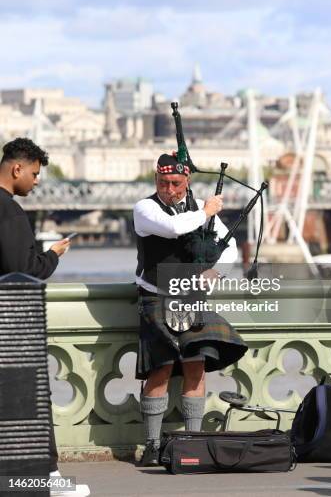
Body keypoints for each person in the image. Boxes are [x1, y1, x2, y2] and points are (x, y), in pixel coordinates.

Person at [134, 153, 248, 466]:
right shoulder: (144, 208)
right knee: (161, 368)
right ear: (155, 180)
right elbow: (173, 228)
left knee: (196, 367)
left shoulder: (198, 209)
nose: (169, 189)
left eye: (176, 183)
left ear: (188, 182)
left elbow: (230, 245)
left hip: (192, 297)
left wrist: (216, 272)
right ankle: (153, 447)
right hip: (155, 295)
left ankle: (193, 443)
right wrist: (207, 211)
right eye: (162, 182)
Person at [0, 137, 90, 497]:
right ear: (16, 168)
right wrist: (52, 254)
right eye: (34, 174)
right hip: (12, 322)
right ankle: (45, 478)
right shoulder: (9, 211)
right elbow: (22, 270)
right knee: (30, 402)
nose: (36, 182)